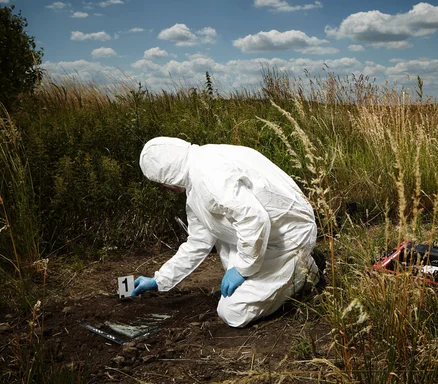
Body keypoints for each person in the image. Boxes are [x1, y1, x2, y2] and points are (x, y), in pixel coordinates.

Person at [132, 137, 324, 328]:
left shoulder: (208, 178)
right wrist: (159, 280)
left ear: (167, 178)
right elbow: (198, 243)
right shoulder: (199, 173)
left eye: (161, 183)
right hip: (273, 232)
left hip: (289, 236)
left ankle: (303, 271)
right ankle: (298, 271)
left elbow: (254, 219)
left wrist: (243, 269)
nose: (164, 188)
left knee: (232, 312)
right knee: (216, 227)